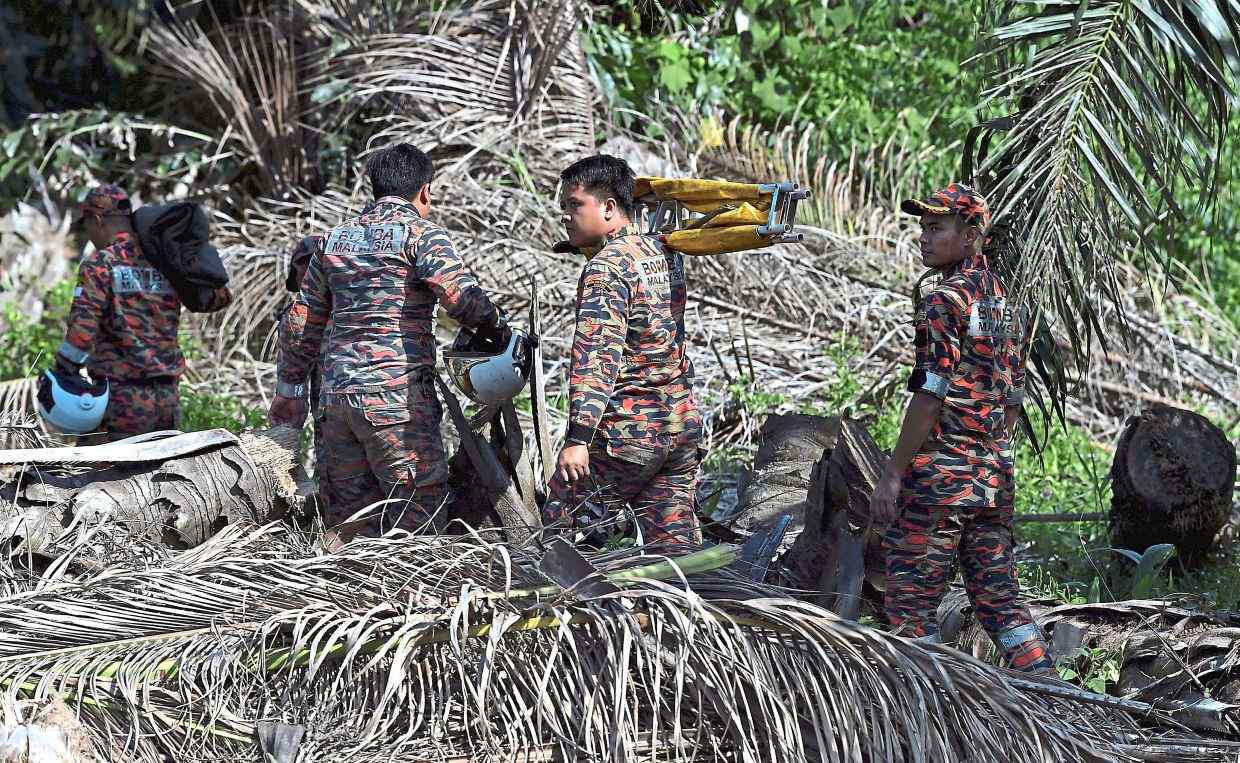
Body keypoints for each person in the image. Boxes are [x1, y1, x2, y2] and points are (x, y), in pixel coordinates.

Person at [269, 144, 508, 543]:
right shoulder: (422, 236)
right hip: (397, 403)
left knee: (349, 524)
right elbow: (461, 300)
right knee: (417, 521)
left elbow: (300, 323)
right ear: (425, 192)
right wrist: (499, 327)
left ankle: (346, 598)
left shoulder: (332, 241)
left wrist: (289, 391)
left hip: (336, 403)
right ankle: (416, 601)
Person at [869, 182, 1052, 672]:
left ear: (972, 234)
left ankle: (926, 712)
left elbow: (931, 393)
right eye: (923, 227)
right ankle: (1058, 697)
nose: (924, 238)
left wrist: (893, 472)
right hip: (992, 475)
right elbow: (1013, 398)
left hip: (940, 480)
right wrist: (987, 451)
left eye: (937, 227)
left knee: (910, 605)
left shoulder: (945, 301)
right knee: (1002, 602)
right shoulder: (1004, 301)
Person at [543, 154, 703, 547]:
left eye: (575, 205)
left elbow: (596, 359)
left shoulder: (606, 269)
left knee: (560, 537)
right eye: (563, 206)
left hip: (626, 435)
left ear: (610, 207)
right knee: (674, 554)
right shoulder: (664, 252)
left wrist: (578, 439)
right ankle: (686, 605)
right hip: (678, 427)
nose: (565, 215)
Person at [55, 184, 230, 443]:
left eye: (87, 226)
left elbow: (82, 332)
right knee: (157, 477)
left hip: (119, 399)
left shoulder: (101, 264)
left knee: (102, 477)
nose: (89, 234)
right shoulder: (164, 259)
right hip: (167, 397)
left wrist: (63, 371)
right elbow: (219, 297)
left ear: (98, 220)